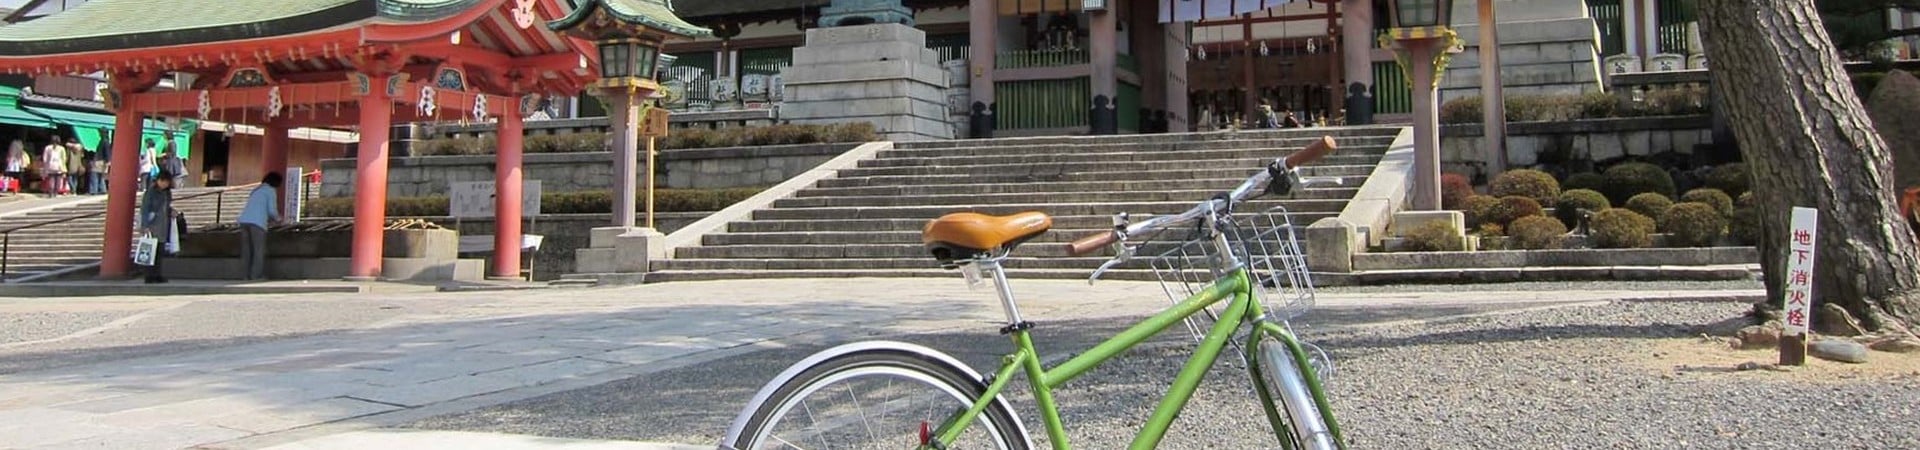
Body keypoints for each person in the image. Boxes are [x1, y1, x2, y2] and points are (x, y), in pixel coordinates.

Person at [237, 172, 284, 281]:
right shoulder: (270, 191)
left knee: (246, 251)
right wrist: (279, 219)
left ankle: (245, 275)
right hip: (257, 223)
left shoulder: (256, 190)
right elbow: (272, 211)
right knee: (258, 250)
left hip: (244, 221)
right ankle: (256, 275)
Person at [141, 171, 175, 283]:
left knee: (160, 251)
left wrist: (172, 212)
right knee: (150, 251)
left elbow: (167, 207)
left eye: (167, 182)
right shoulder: (151, 192)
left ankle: (157, 274)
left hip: (163, 223)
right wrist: (145, 225)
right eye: (163, 181)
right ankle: (149, 275)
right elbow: (145, 209)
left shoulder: (167, 193)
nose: (165, 184)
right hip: (153, 223)